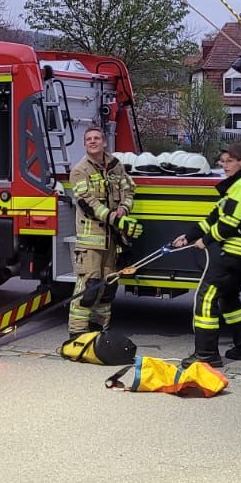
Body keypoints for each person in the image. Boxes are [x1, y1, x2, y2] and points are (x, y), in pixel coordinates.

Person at [171, 141, 241, 367]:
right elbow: (213, 218)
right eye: (223, 162)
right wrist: (189, 236)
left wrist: (205, 241)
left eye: (230, 161)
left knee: (206, 296)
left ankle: (206, 354)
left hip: (238, 250)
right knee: (228, 296)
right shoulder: (236, 186)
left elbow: (229, 223)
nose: (225, 165)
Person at [67, 124, 139, 338]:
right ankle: (78, 333)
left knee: (108, 288)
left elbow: (130, 190)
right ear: (84, 144)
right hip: (91, 241)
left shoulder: (116, 166)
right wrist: (114, 218)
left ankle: (100, 331)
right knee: (88, 286)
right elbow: (86, 202)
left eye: (96, 138)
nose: (92, 141)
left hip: (112, 241)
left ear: (104, 142)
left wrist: (125, 208)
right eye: (88, 139)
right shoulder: (80, 170)